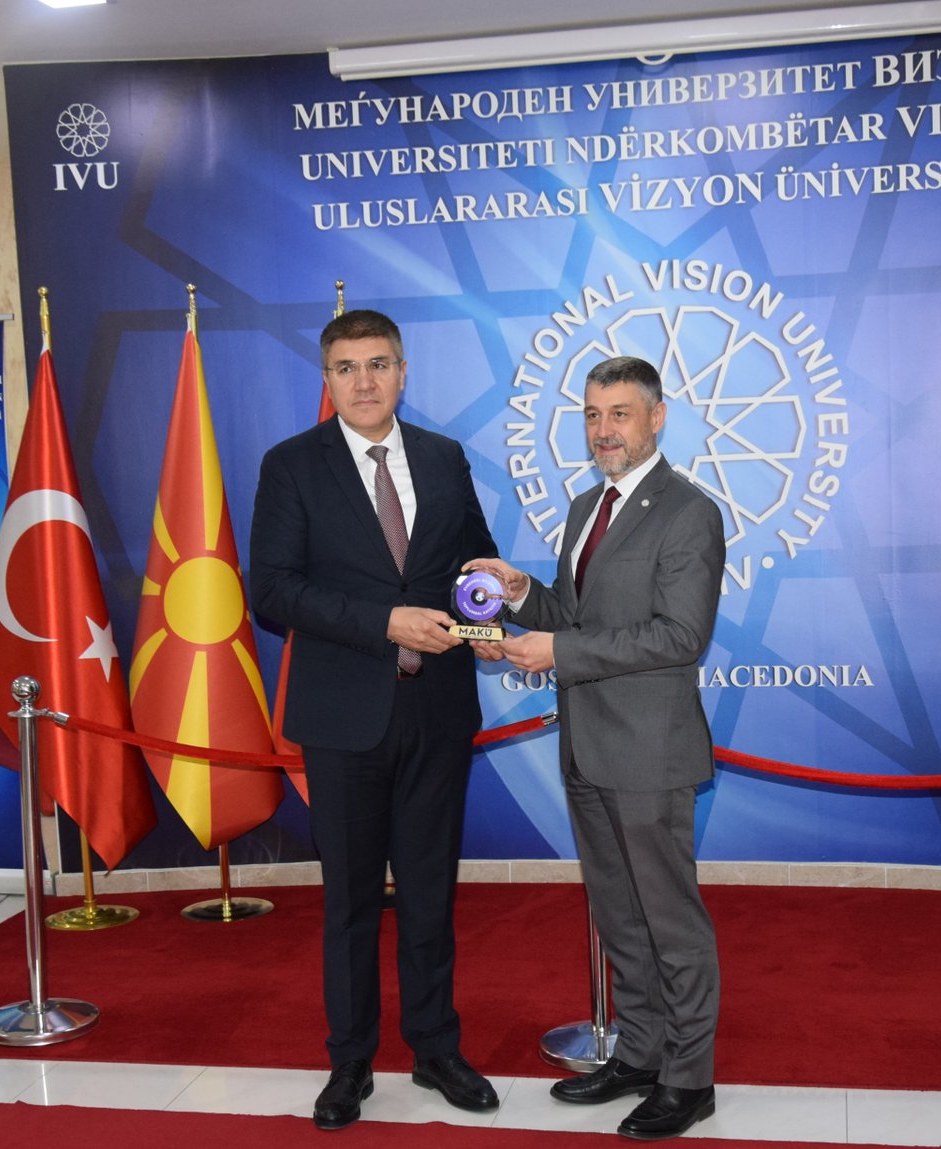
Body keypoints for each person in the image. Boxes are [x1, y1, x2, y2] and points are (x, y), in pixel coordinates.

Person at [249, 308, 501, 1131]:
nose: (364, 381)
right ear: (326, 378)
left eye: (379, 364)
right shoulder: (292, 465)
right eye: (346, 367)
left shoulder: (444, 456)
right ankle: (350, 1060)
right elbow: (272, 591)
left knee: (430, 892)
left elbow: (472, 567)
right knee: (351, 900)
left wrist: (490, 615)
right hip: (342, 717)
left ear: (403, 371)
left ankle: (436, 1048)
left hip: (437, 711)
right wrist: (385, 622)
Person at [466, 355, 724, 1141]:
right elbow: (577, 620)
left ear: (657, 417)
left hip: (649, 753)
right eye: (591, 414)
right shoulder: (586, 507)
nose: (603, 429)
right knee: (619, 916)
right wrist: (521, 595)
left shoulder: (690, 512)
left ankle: (689, 1079)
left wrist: (560, 651)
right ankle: (640, 1053)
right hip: (586, 748)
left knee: (670, 921)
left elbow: (680, 636)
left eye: (619, 413)